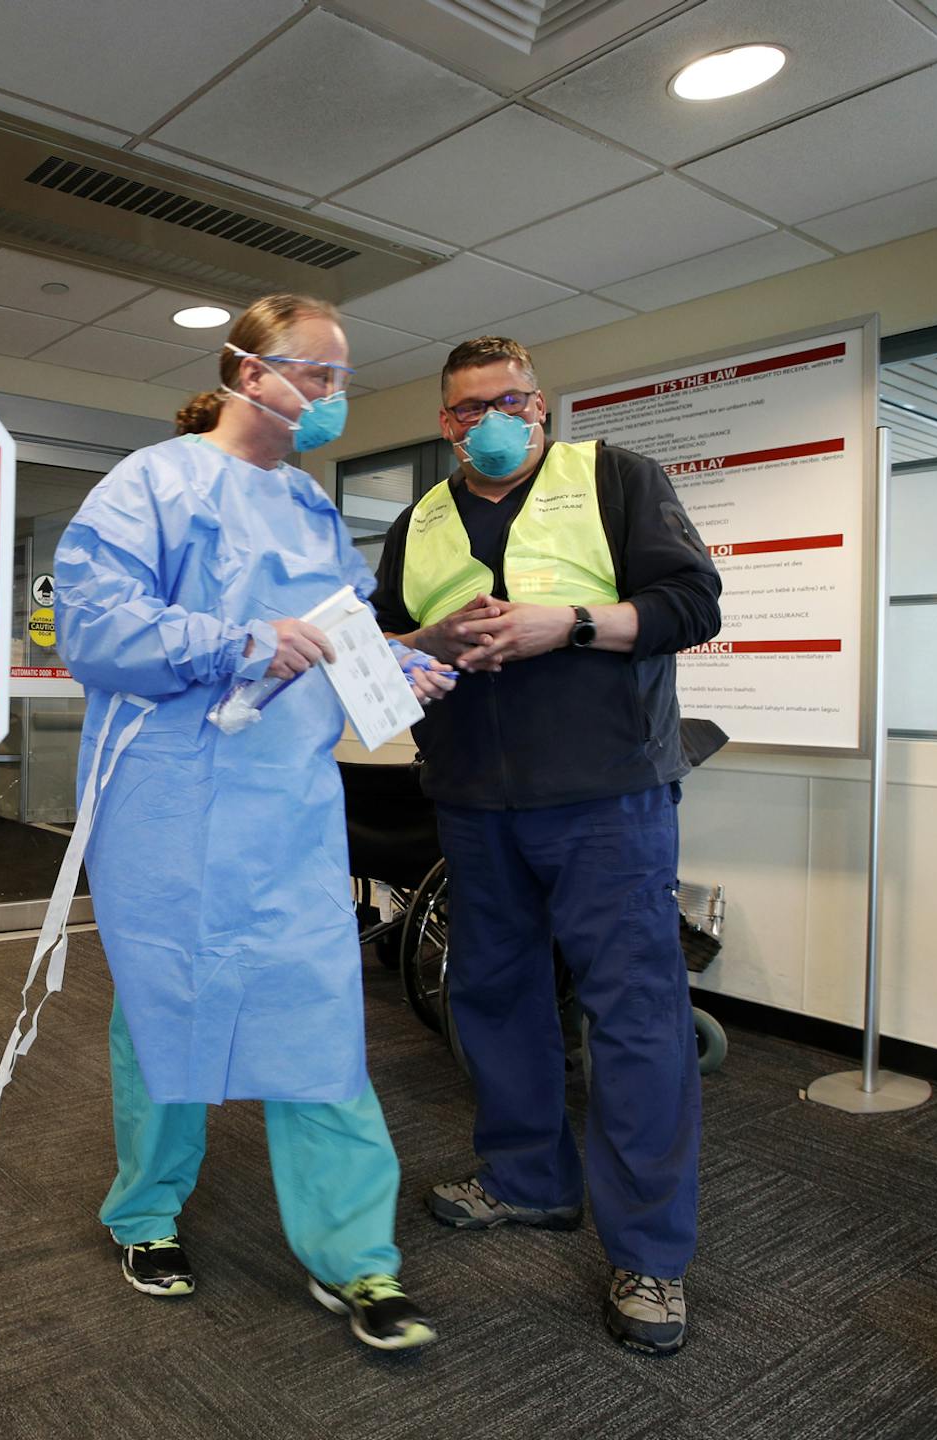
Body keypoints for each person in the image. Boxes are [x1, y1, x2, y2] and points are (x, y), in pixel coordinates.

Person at [50, 294, 455, 1351]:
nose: (333, 396)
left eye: (340, 377)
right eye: (316, 374)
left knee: (319, 1016)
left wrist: (403, 664)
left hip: (288, 805)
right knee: (165, 1007)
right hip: (172, 802)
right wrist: (235, 642)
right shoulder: (152, 483)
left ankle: (359, 1263)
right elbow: (92, 627)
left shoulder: (315, 509)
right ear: (248, 371)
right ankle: (145, 1217)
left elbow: (340, 629)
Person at [369, 336, 722, 1356]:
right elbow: (390, 646)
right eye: (469, 406)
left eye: (512, 400)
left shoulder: (616, 479)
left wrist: (559, 625)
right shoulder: (419, 523)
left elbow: (692, 604)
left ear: (541, 406)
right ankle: (528, 1179)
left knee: (636, 1015)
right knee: (494, 994)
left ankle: (651, 1254)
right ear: (445, 422)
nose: (492, 417)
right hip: (474, 798)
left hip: (605, 797)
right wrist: (423, 649)